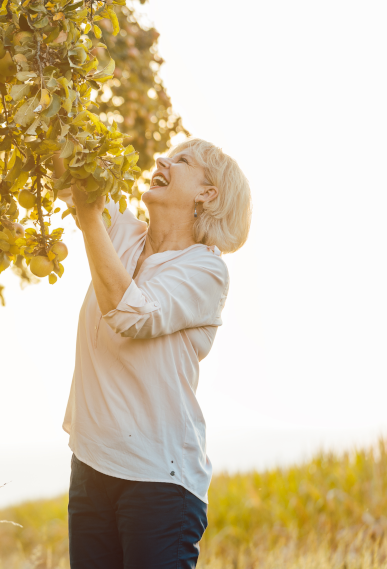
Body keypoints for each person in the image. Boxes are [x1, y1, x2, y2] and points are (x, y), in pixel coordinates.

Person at [60, 139, 252, 568]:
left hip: (159, 481)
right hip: (92, 465)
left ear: (208, 194)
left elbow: (130, 315)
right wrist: (47, 86)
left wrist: (90, 219)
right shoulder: (124, 236)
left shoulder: (205, 270)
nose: (162, 161)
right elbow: (68, 178)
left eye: (181, 161)